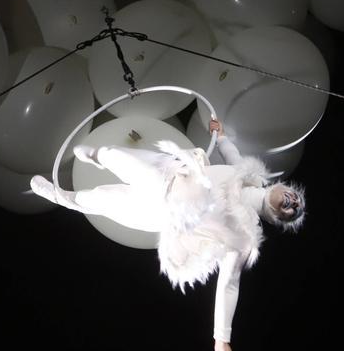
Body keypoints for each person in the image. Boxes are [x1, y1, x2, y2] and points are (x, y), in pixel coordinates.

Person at [30, 119, 306, 351]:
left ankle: (62, 197)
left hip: (163, 212)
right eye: (296, 198)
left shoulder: (245, 235)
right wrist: (221, 135)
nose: (293, 203)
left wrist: (221, 339)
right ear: (287, 187)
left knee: (101, 200)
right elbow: (231, 153)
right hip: (169, 175)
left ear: (280, 218)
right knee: (113, 155)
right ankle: (96, 156)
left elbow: (229, 284)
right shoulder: (247, 174)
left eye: (294, 211)